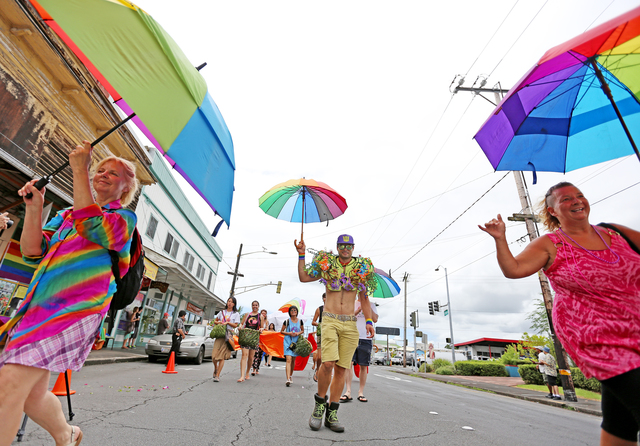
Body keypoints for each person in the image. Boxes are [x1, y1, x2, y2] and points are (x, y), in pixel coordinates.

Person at [0, 140, 139, 446]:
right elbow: (32, 251)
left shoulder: (124, 221)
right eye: (99, 169)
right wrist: (34, 207)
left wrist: (80, 168)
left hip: (75, 312)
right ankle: (67, 435)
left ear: (126, 190)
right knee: (31, 395)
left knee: (9, 383)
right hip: (36, 310)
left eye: (113, 174)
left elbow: (90, 223)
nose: (102, 174)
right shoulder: (64, 216)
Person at [479, 182, 640, 445]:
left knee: (621, 421)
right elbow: (515, 269)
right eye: (566, 199)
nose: (577, 201)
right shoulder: (550, 243)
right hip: (597, 337)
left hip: (635, 327)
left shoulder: (616, 232)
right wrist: (500, 239)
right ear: (552, 210)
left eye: (580, 195)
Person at [296, 234, 376, 433]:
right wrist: (301, 254)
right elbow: (304, 277)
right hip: (330, 319)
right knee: (328, 363)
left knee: (341, 368)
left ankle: (332, 413)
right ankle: (318, 407)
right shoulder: (327, 264)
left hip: (350, 324)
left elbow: (364, 298)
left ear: (353, 248)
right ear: (338, 247)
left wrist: (367, 321)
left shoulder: (361, 269)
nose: (345, 249)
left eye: (349, 246)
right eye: (342, 245)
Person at [341, 298, 379, 403]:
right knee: (349, 363)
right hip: (351, 336)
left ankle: (360, 392)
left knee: (363, 365)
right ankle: (348, 391)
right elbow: (347, 318)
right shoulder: (352, 303)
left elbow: (375, 319)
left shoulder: (372, 304)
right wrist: (358, 310)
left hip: (366, 337)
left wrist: (367, 308)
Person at [211, 297, 240, 382]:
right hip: (219, 335)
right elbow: (215, 321)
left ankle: (217, 375)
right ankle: (215, 368)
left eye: (231, 302)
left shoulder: (236, 314)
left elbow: (235, 325)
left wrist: (228, 323)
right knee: (214, 356)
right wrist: (219, 322)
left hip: (228, 336)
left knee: (221, 357)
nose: (229, 303)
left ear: (234, 304)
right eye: (228, 301)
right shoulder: (222, 312)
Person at [238, 301, 265, 382]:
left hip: (254, 338)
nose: (255, 306)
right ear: (251, 306)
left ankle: (247, 373)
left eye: (256, 305)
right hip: (246, 337)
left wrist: (261, 329)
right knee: (244, 355)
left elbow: (262, 327)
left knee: (250, 357)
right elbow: (241, 323)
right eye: (253, 305)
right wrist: (240, 327)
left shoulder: (261, 316)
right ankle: (242, 376)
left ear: (258, 306)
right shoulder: (247, 315)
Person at [281, 305, 303, 387]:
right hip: (287, 342)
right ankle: (287, 379)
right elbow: (282, 331)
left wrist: (298, 333)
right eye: (292, 310)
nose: (293, 311)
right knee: (288, 359)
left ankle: (290, 376)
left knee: (293, 360)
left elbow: (302, 330)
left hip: (296, 343)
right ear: (289, 312)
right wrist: (289, 333)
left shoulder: (300, 321)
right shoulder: (286, 321)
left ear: (297, 312)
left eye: (295, 310)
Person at [311, 293, 327, 382]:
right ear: (322, 299)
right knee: (320, 357)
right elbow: (313, 321)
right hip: (321, 333)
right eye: (324, 297)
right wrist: (319, 324)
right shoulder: (319, 309)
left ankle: (324, 373)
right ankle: (317, 370)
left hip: (331, 334)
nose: (326, 299)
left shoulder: (333, 309)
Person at [251, 309, 268, 375]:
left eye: (265, 313)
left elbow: (266, 329)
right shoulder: (257, 320)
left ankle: (257, 368)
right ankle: (254, 369)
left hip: (263, 340)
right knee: (256, 353)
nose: (263, 315)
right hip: (257, 338)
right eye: (262, 313)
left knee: (260, 354)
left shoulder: (266, 322)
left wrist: (263, 329)